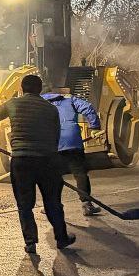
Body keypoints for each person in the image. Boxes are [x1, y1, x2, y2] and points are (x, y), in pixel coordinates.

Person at [0, 73, 76, 254]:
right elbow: (56, 136)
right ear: (40, 90)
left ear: (21, 89)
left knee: (25, 204)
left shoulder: (13, 104)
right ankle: (61, 238)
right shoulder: (51, 109)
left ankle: (30, 242)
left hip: (22, 161)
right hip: (48, 161)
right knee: (53, 202)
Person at [43, 87, 102, 216]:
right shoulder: (69, 99)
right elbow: (88, 107)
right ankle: (86, 204)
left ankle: (51, 206)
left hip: (51, 144)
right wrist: (95, 127)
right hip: (72, 141)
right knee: (80, 173)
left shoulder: (38, 102)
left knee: (51, 177)